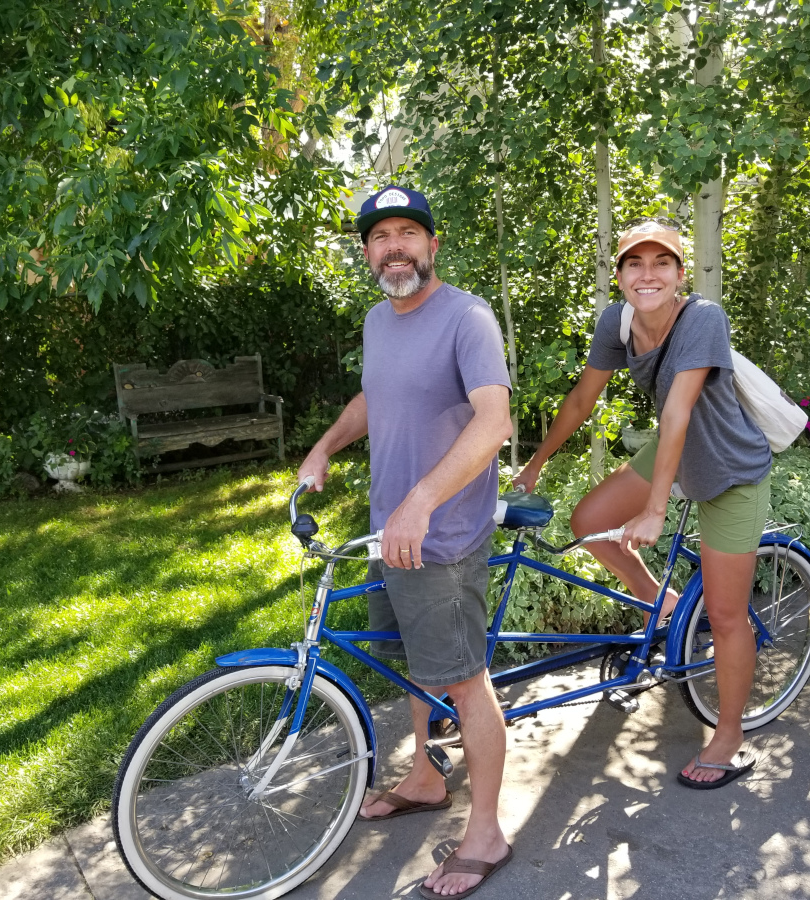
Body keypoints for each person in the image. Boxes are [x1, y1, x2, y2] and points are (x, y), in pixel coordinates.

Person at [298, 185, 514, 897]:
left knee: (463, 678)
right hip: (389, 527)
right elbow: (374, 396)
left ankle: (486, 832)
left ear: (432, 244)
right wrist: (326, 446)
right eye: (380, 236)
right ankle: (426, 777)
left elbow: (494, 424)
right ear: (367, 252)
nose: (394, 246)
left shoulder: (467, 318)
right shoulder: (377, 320)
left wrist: (423, 500)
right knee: (416, 669)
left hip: (443, 534)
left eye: (407, 233)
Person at [512, 220, 772, 790]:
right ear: (620, 275)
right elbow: (584, 396)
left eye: (661, 263)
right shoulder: (618, 322)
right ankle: (670, 607)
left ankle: (728, 736)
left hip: (729, 468)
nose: (647, 274)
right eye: (635, 263)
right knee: (588, 522)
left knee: (727, 615)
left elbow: (679, 410)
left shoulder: (702, 318)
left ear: (681, 275)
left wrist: (655, 509)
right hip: (673, 451)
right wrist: (538, 462)